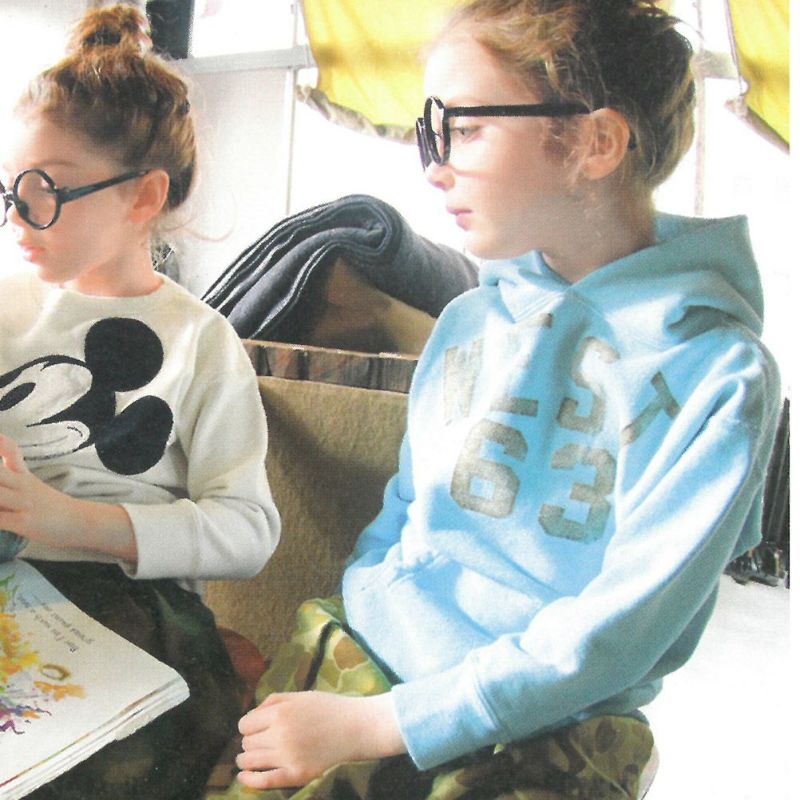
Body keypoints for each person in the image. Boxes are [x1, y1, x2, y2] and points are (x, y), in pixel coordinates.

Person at [227, 1, 780, 799]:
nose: (435, 166)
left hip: (545, 729)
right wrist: (360, 621)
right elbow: (407, 509)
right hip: (361, 661)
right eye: (432, 131)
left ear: (594, 143)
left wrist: (387, 724)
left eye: (464, 128)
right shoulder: (469, 322)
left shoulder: (720, 376)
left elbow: (621, 630)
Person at [0, 5, 280, 799]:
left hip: (129, 606)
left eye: (44, 190)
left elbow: (248, 530)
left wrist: (71, 521)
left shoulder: (201, 342)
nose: (19, 214)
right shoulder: (5, 309)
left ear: (142, 196)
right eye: (10, 189)